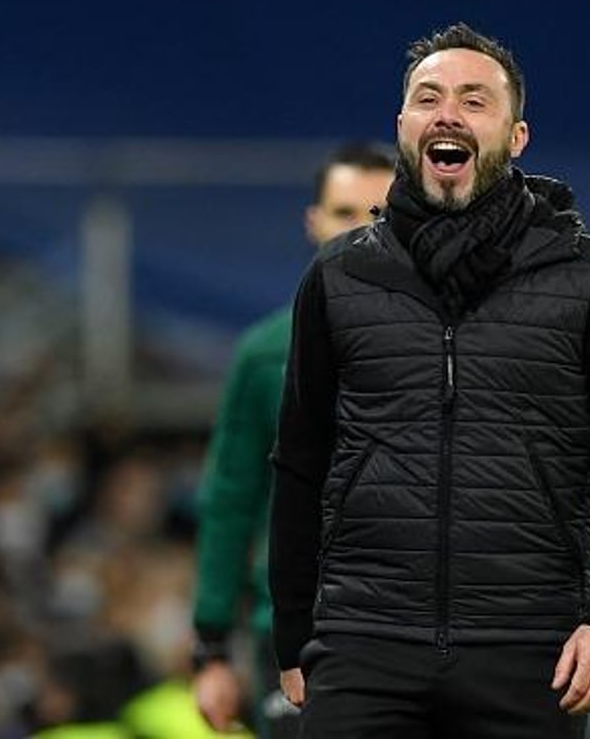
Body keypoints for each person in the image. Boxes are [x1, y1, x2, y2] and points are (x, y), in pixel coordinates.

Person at [268, 22, 590, 738]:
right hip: (364, 642)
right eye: (428, 98)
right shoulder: (338, 276)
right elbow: (300, 462)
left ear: (516, 138)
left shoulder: (586, 277)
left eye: (474, 100)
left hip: (529, 651)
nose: (447, 114)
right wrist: (293, 631)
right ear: (403, 125)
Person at [191, 144, 396, 736]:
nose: (360, 231)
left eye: (379, 214)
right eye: (344, 212)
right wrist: (210, 647)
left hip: (408, 632)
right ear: (314, 221)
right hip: (294, 633)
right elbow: (230, 498)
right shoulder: (265, 355)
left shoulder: (450, 346)